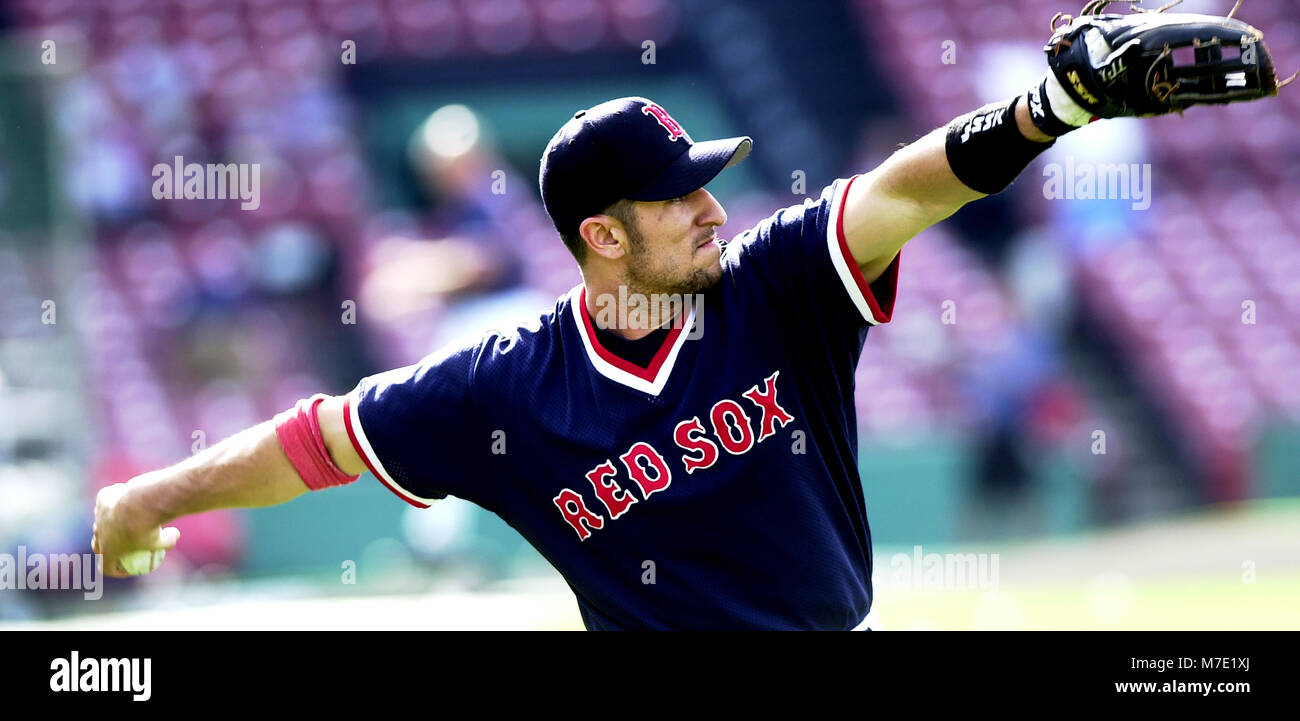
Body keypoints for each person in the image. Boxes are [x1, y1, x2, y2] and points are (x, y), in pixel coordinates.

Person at [92, 6, 1285, 628]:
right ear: (602, 236)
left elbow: (906, 190)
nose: (713, 209)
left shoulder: (774, 286)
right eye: (678, 197)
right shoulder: (501, 390)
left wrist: (1047, 107)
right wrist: (150, 497)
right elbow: (315, 443)